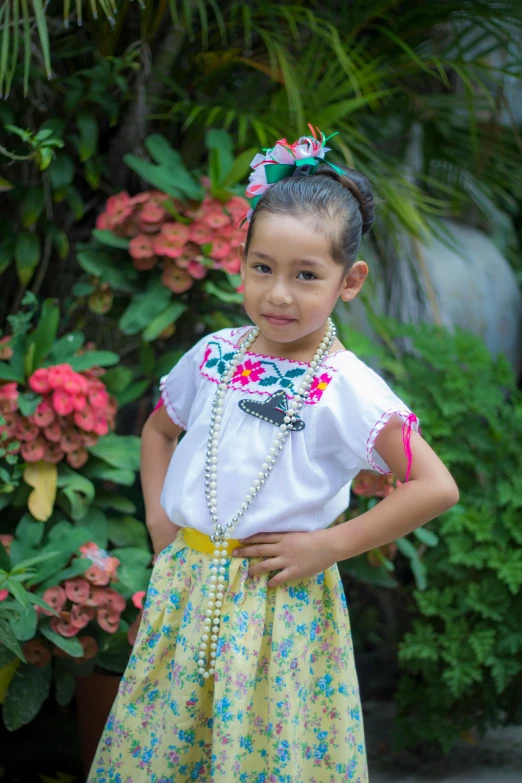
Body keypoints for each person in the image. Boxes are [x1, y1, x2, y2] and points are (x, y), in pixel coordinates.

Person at [88, 128, 459, 783]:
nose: (279, 294)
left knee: (261, 749)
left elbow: (434, 485)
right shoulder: (213, 355)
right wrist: (159, 521)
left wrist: (328, 545)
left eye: (306, 275)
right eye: (263, 267)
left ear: (351, 280)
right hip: (188, 589)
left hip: (278, 604)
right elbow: (156, 432)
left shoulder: (348, 386)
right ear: (242, 261)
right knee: (171, 744)